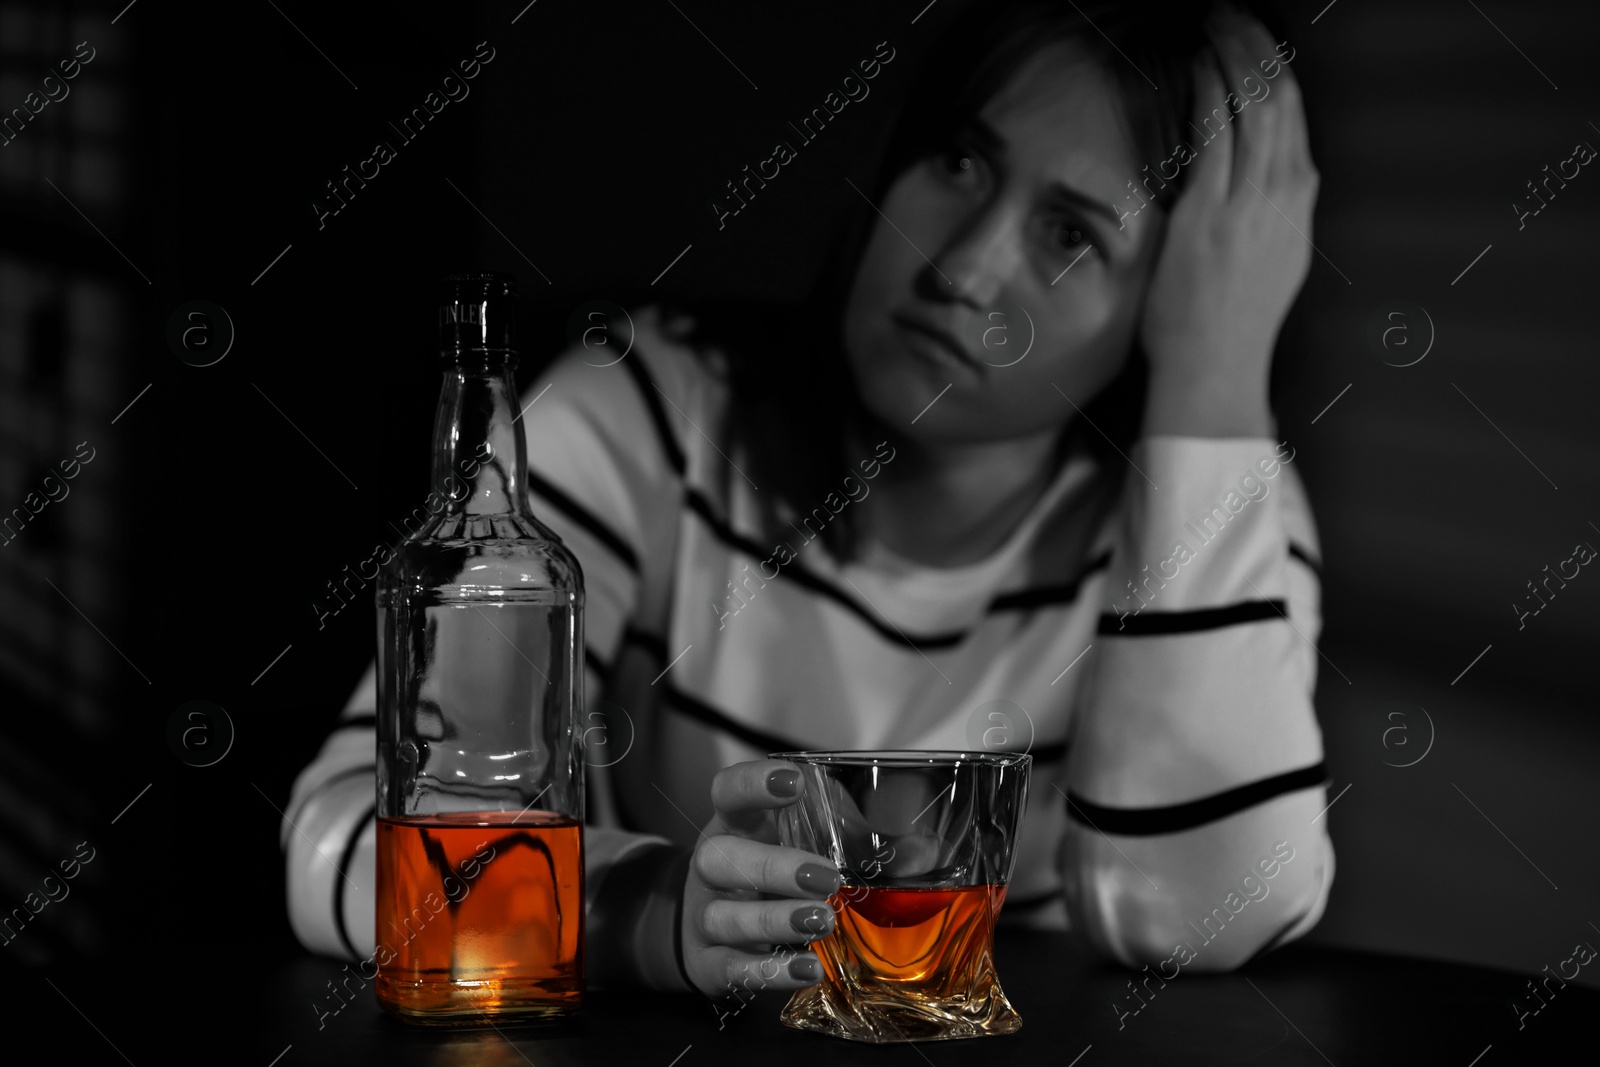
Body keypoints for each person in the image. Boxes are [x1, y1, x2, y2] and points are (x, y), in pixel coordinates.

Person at [283, 0, 1334, 1001]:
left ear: (1176, 301)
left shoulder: (1217, 510)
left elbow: (1196, 919)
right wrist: (650, 913)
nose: (963, 269)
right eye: (959, 161)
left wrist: (1212, 379)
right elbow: (341, 840)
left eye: (1071, 235)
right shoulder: (646, 414)